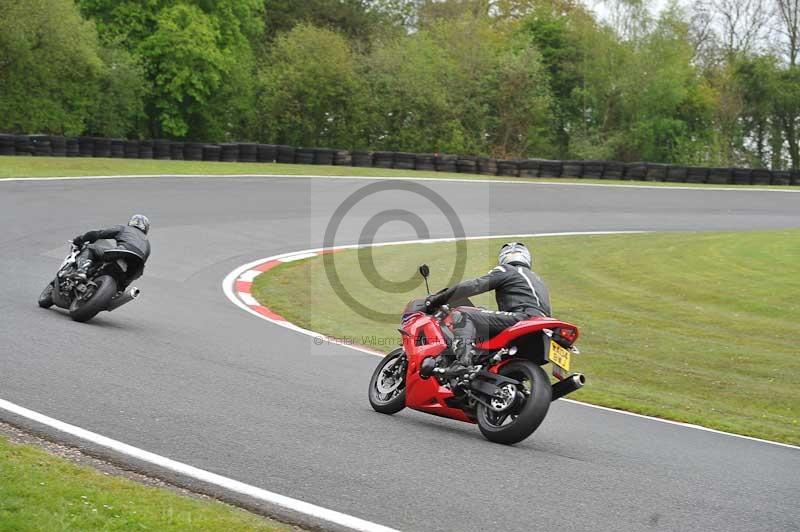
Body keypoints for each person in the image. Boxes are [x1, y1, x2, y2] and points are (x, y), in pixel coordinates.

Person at [425, 242, 550, 374]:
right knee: (482, 317)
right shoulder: (538, 280)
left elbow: (474, 285)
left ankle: (463, 363)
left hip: (523, 318)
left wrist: (437, 299)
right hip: (543, 327)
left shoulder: (506, 270)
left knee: (462, 314)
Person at [71, 214, 151, 281]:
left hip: (123, 251)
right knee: (127, 280)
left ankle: (81, 271)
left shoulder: (125, 228)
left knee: (90, 248)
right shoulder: (147, 243)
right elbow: (143, 261)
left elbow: (99, 234)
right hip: (137, 264)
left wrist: (80, 239)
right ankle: (119, 291)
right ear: (146, 228)